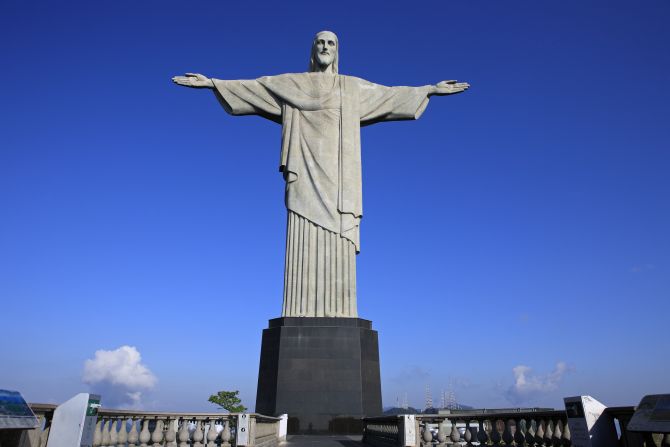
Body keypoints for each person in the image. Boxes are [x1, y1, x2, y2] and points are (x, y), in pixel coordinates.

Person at [172, 30, 469, 318]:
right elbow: (257, 87)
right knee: (302, 228)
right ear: (313, 50)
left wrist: (429, 89)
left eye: (331, 43)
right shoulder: (292, 84)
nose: (326, 47)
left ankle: (340, 310)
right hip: (304, 170)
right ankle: (299, 308)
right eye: (320, 43)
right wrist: (213, 83)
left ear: (337, 51)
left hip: (340, 179)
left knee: (339, 234)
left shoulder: (351, 88)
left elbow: (390, 95)